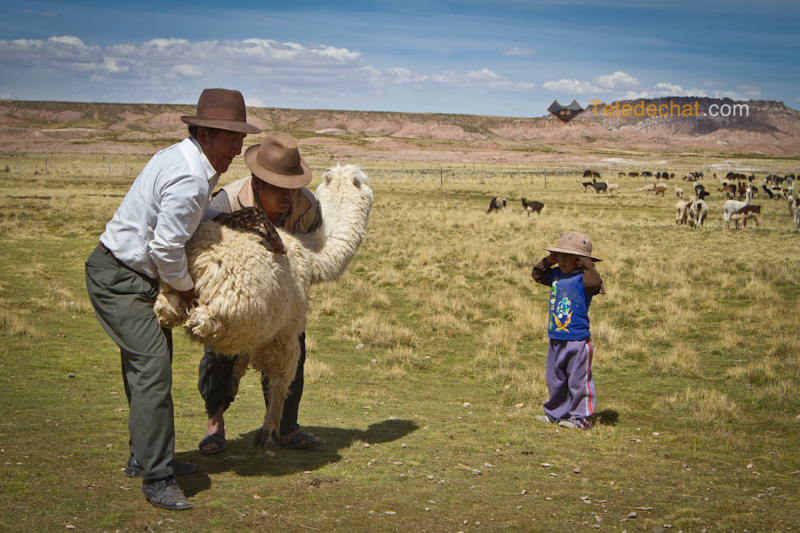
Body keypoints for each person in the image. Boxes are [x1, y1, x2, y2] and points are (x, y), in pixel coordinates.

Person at [84, 88, 261, 510]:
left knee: (145, 368)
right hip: (121, 279)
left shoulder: (186, 160)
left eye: (240, 139)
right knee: (152, 370)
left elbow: (186, 219)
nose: (237, 149)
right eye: (229, 138)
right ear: (203, 133)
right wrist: (188, 291)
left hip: (128, 273)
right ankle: (158, 478)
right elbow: (165, 248)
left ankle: (146, 456)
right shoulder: (189, 176)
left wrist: (227, 221)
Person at [197, 131, 325, 454]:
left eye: (292, 186)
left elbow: (312, 250)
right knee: (221, 350)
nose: (288, 195)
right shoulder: (226, 203)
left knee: (291, 350)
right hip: (238, 290)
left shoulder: (308, 207)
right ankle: (215, 424)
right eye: (278, 187)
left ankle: (284, 426)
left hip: (284, 295)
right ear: (257, 183)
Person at [531, 231, 605, 430]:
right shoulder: (556, 275)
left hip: (577, 340)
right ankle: (556, 414)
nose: (561, 260)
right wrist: (548, 261)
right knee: (555, 379)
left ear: (579, 260)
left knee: (578, 380)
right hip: (556, 337)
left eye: (567, 256)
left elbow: (595, 284)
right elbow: (537, 275)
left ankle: (580, 419)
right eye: (559, 255)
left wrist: (587, 265)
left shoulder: (584, 279)